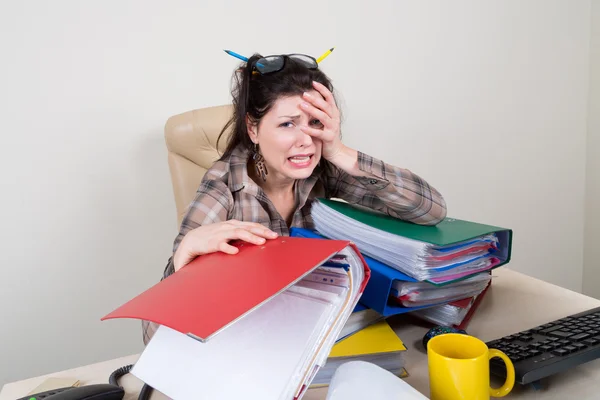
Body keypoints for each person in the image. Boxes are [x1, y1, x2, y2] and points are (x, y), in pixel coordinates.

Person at [142, 52, 447, 344]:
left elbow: (430, 211)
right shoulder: (223, 187)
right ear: (253, 128)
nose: (305, 141)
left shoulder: (323, 169)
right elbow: (155, 335)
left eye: (315, 123)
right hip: (256, 348)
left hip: (325, 333)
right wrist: (185, 257)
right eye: (287, 124)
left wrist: (339, 152)